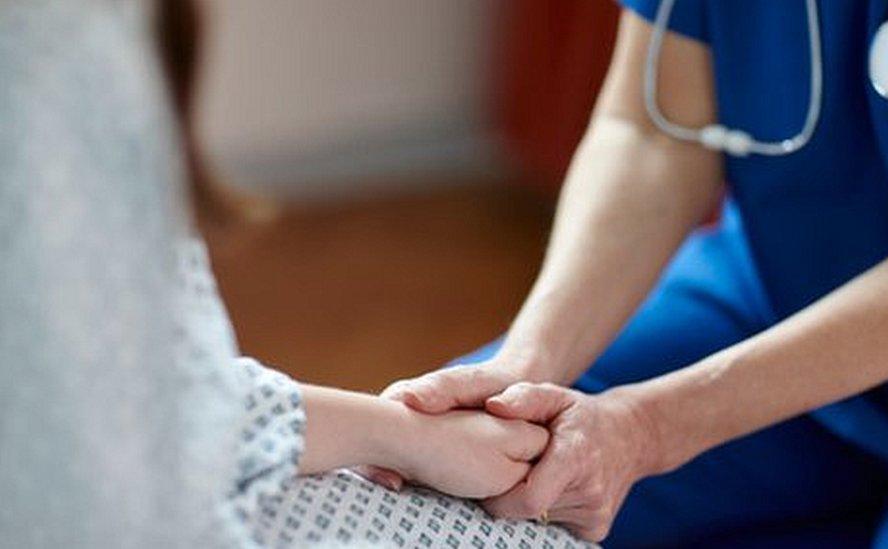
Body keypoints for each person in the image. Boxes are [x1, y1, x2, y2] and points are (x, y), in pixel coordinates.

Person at [370, 0, 888, 546]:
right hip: (765, 298)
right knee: (441, 480)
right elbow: (653, 129)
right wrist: (525, 369)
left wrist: (648, 428)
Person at [0, 1, 593, 547]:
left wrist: (421, 427)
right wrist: (403, 435)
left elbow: (132, 391)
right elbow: (119, 455)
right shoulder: (55, 49)